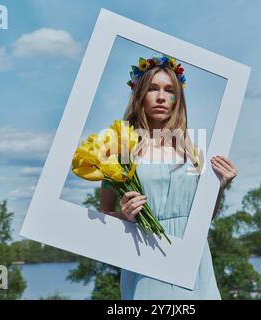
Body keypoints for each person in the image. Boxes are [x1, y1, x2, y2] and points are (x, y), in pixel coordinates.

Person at [99, 54, 238, 300]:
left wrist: (219, 187)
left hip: (195, 262)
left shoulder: (192, 152)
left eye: (169, 90)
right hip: (144, 260)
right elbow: (102, 218)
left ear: (177, 99)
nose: (161, 97)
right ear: (139, 94)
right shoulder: (120, 150)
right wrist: (126, 215)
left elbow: (204, 218)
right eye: (152, 89)